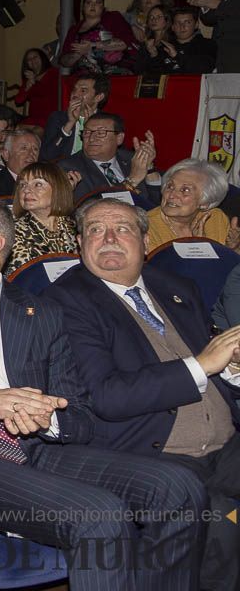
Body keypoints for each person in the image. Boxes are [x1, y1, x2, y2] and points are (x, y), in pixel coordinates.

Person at [0, 198, 206, 590]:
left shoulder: (39, 313)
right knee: (99, 515)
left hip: (37, 447)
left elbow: (80, 414)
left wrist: (46, 418)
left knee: (180, 488)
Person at [46, 198, 240, 590]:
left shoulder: (175, 286)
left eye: (123, 228)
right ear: (80, 243)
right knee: (222, 519)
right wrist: (203, 364)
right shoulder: (66, 301)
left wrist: (232, 369)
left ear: (145, 239)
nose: (109, 238)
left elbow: (209, 364)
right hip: (152, 449)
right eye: (96, 230)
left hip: (226, 442)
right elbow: (107, 397)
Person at [59, 113, 162, 203]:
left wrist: (149, 168)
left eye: (101, 133)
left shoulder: (131, 159)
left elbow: (155, 203)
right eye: (87, 132)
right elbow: (92, 208)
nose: (92, 138)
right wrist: (131, 181)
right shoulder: (69, 168)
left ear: (119, 138)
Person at [144, 158, 234, 251]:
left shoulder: (215, 218)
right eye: (170, 186)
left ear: (205, 203)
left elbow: (228, 263)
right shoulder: (145, 227)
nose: (172, 195)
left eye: (185, 190)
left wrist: (233, 250)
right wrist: (199, 249)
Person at [4, 162, 78, 274]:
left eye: (38, 184)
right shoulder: (13, 233)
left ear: (58, 189)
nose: (26, 190)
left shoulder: (74, 226)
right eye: (23, 185)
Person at [58, 0, 139, 74]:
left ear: (103, 7)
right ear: (83, 7)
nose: (93, 5)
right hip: (85, 77)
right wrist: (77, 54)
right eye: (89, 2)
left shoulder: (113, 18)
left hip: (115, 73)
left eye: (98, 2)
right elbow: (64, 61)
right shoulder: (74, 29)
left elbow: (125, 43)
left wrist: (93, 46)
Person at [40, 73, 109, 161]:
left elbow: (109, 156)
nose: (75, 94)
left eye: (83, 90)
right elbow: (47, 155)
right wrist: (69, 124)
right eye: (74, 89)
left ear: (98, 97)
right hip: (64, 170)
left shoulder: (106, 122)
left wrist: (90, 128)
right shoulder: (58, 118)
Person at [13, 47, 59, 126]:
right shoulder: (29, 78)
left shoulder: (53, 73)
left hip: (50, 119)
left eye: (35, 57)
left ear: (42, 58)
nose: (32, 60)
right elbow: (18, 100)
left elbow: (48, 93)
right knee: (16, 130)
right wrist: (27, 86)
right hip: (33, 119)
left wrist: (35, 82)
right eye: (29, 59)